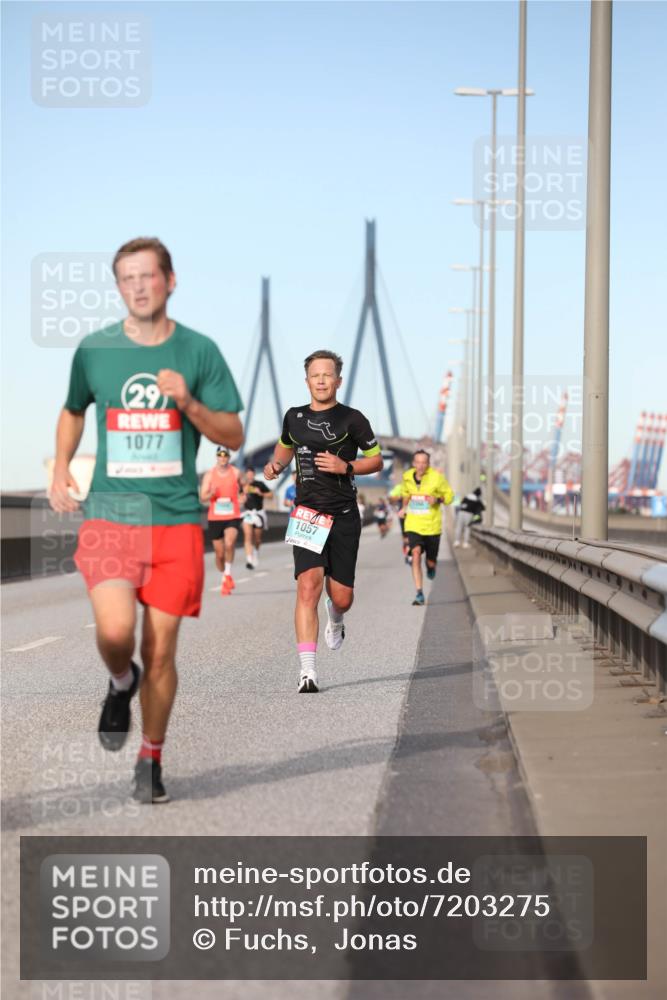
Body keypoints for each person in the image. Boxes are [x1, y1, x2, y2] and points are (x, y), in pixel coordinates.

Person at [49, 237, 243, 804]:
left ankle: (151, 759)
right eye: (126, 278)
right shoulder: (95, 350)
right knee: (115, 634)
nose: (137, 286)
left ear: (170, 281)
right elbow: (71, 409)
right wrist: (61, 465)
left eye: (147, 276)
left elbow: (231, 433)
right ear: (118, 287)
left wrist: (187, 403)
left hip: (177, 519)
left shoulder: (198, 351)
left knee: (161, 650)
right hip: (112, 514)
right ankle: (119, 681)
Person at [263, 349, 383, 692]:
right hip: (308, 514)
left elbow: (376, 462)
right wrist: (275, 466)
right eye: (315, 375)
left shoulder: (353, 419)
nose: (320, 380)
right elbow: (284, 449)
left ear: (338, 381)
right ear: (306, 381)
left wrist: (346, 467)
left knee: (342, 597)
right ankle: (308, 672)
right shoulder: (294, 417)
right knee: (307, 586)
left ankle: (337, 616)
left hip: (345, 514)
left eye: (327, 375)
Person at [401, 449, 454, 606]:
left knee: (430, 562)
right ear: (413, 463)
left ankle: (431, 567)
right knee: (415, 553)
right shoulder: (406, 477)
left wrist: (437, 499)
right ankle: (419, 593)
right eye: (418, 462)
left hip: (432, 526)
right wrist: (404, 507)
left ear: (428, 464)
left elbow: (450, 496)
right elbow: (405, 494)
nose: (421, 465)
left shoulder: (437, 478)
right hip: (413, 524)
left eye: (424, 462)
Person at [200, 446, 243, 595]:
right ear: (217, 457)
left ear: (229, 457)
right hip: (215, 517)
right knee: (219, 554)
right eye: (220, 455)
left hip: (232, 515)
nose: (223, 458)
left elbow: (243, 489)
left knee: (230, 543)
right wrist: (210, 494)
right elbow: (202, 497)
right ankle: (224, 574)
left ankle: (228, 575)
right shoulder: (209, 475)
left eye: (225, 455)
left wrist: (243, 496)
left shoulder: (236, 473)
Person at [242, 467, 271, 569]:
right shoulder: (242, 486)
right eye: (248, 474)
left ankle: (256, 552)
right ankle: (249, 559)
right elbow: (238, 500)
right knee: (248, 536)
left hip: (259, 513)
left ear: (254, 474)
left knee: (257, 539)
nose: (250, 476)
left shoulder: (260, 484)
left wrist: (261, 493)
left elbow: (271, 495)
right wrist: (243, 495)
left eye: (251, 474)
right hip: (248, 514)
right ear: (246, 475)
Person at [389, 481, 410, 563]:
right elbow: (391, 498)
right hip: (403, 514)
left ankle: (412, 552)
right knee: (405, 536)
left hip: (415, 515)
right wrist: (400, 497)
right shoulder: (399, 487)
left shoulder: (418, 486)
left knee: (413, 535)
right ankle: (407, 554)